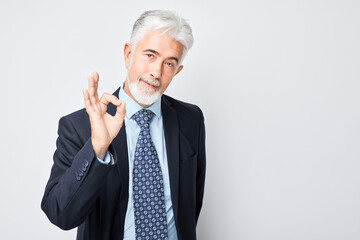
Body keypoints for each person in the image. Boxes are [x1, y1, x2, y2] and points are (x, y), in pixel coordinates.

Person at [41, 10, 206, 240]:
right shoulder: (79, 126)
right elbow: (60, 214)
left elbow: (190, 206)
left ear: (177, 71)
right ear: (128, 54)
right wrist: (97, 148)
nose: (155, 72)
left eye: (169, 63)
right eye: (150, 55)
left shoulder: (191, 119)